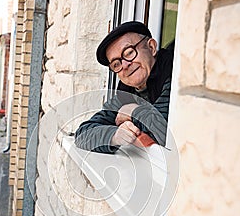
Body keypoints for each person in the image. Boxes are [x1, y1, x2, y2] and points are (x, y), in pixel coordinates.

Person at [74, 21, 174, 153]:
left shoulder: (173, 74)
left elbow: (164, 132)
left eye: (128, 53)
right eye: (116, 64)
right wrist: (115, 136)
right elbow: (82, 135)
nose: (125, 65)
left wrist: (132, 111)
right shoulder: (125, 92)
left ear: (151, 47)